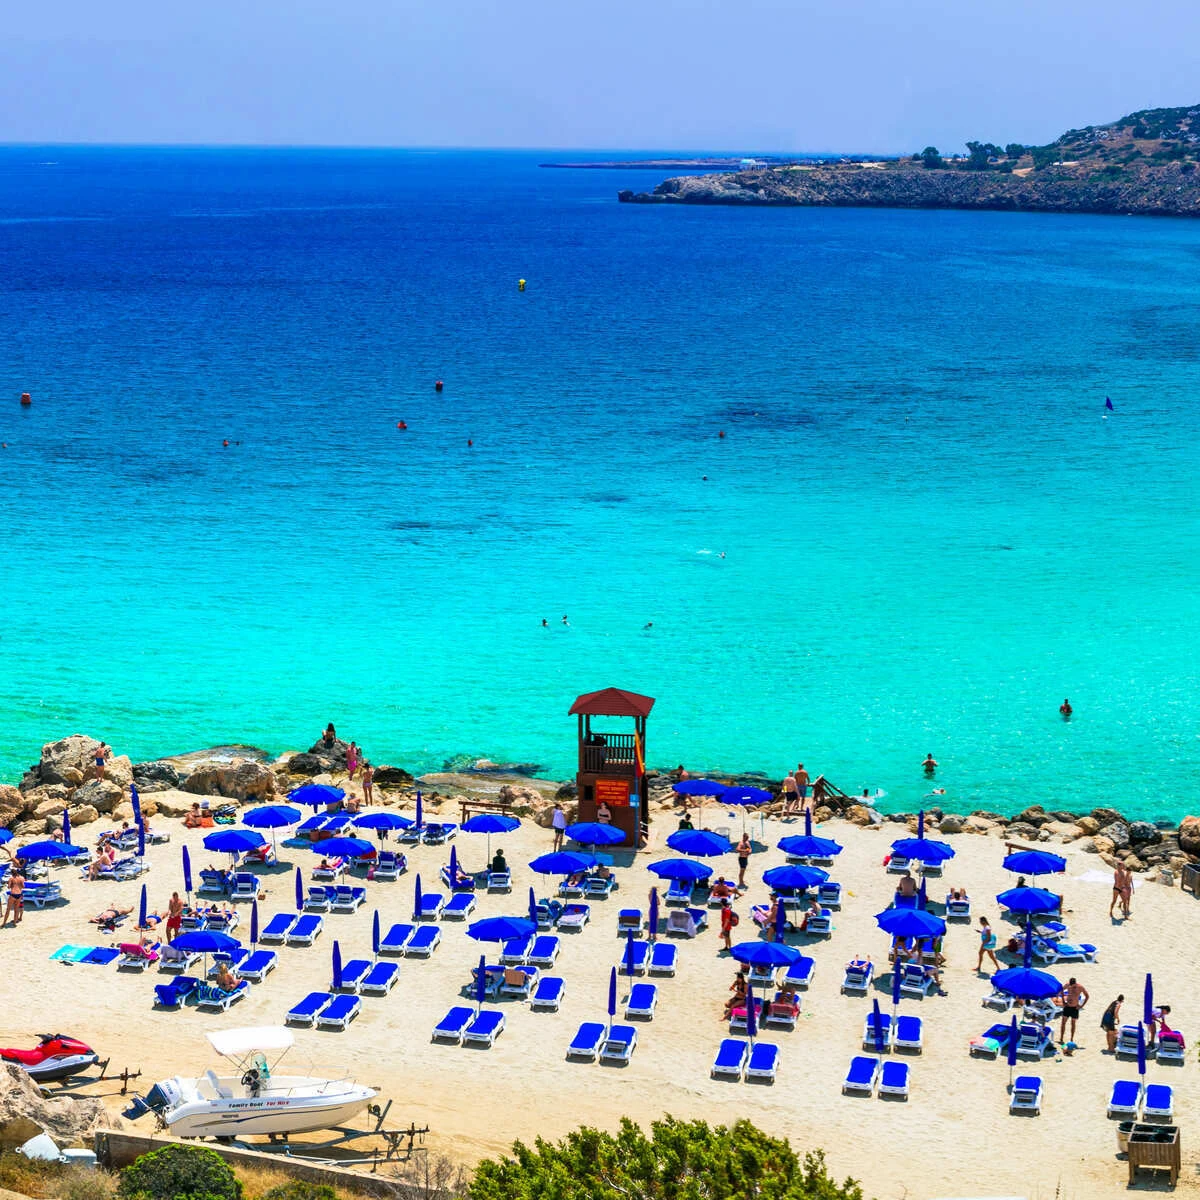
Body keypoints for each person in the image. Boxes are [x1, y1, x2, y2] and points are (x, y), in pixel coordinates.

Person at [1059, 977, 1089, 1044]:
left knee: (1073, 1024)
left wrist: (1081, 1006)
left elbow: (1087, 996)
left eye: (1072, 985)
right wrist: (1063, 1001)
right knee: (1063, 1023)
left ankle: (1071, 1039)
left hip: (1075, 1008)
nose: (1071, 986)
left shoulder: (1080, 987)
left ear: (1075, 983)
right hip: (1067, 1006)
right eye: (1070, 985)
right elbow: (1061, 990)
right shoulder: (1067, 985)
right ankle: (1061, 1038)